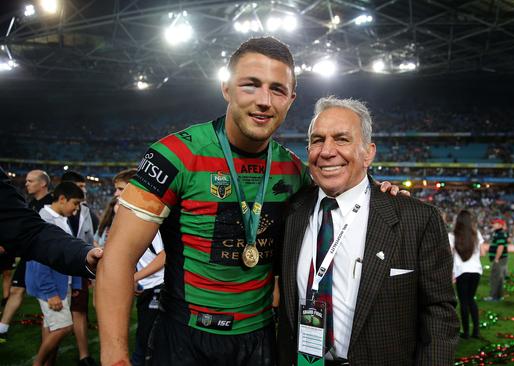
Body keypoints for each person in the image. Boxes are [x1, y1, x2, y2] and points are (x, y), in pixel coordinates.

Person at [96, 37, 402, 366]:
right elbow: (117, 258)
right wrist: (115, 358)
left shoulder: (295, 172)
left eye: (277, 90)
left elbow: (346, 204)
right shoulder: (174, 155)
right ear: (226, 88)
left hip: (260, 341)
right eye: (251, 85)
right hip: (183, 337)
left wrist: (381, 194)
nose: (264, 101)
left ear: (291, 100)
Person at [277, 96, 458, 365]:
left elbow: (439, 315)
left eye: (341, 139)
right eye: (317, 140)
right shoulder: (291, 212)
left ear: (368, 153)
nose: (326, 151)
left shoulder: (417, 219)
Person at [26, 181, 85, 366]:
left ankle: (47, 364)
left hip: (61, 283)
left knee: (50, 326)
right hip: (51, 286)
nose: (76, 209)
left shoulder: (61, 219)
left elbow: (67, 255)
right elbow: (39, 260)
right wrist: (50, 292)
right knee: (64, 327)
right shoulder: (44, 220)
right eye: (75, 203)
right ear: (62, 199)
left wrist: (74, 284)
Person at [0, 167, 102, 272]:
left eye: (30, 181)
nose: (26, 184)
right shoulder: (44, 212)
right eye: (80, 186)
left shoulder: (76, 213)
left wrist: (83, 254)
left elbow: (33, 234)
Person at [112, 168, 166, 366]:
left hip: (158, 288)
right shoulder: (134, 215)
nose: (116, 194)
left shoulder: (147, 216)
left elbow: (163, 256)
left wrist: (134, 278)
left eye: (120, 189)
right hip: (149, 287)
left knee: (145, 347)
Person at [1, 169, 54, 341]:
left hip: (45, 258)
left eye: (31, 181)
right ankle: (2, 328)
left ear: (43, 184)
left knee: (46, 298)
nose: (26, 184)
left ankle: (54, 332)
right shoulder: (29, 204)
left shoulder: (53, 204)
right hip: (28, 256)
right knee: (16, 290)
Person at [61, 171, 97, 366]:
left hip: (79, 268)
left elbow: (89, 239)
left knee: (80, 310)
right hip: (58, 269)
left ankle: (84, 355)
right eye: (80, 186)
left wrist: (90, 274)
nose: (84, 190)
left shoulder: (84, 210)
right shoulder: (49, 210)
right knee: (56, 317)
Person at [449, 209, 484, 339]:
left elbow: (449, 254)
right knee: (471, 300)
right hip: (476, 270)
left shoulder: (453, 236)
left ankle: (467, 333)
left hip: (461, 271)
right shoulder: (476, 234)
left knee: (464, 302)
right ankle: (476, 331)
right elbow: (482, 253)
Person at [485, 218, 508, 302]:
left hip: (500, 259)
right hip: (501, 259)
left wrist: (497, 258)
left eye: (495, 223)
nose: (493, 225)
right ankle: (498, 296)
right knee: (499, 278)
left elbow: (501, 247)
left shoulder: (500, 234)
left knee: (495, 278)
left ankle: (493, 296)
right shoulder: (498, 233)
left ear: (500, 225)